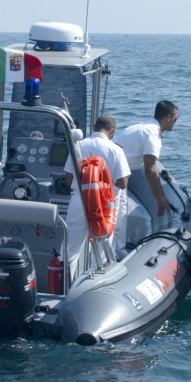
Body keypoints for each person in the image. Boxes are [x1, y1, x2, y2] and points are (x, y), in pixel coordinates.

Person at [63, 116, 131, 280]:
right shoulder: (116, 150)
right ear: (112, 130)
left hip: (80, 201)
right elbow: (122, 183)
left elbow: (68, 179)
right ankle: (95, 287)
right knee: (101, 250)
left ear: (94, 126)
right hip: (104, 205)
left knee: (70, 249)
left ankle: (63, 286)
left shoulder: (78, 145)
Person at [113, 100, 178, 258]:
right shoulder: (152, 134)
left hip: (118, 174)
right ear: (168, 118)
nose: (176, 123)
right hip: (110, 174)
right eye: (175, 119)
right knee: (113, 213)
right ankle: (103, 255)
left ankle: (119, 250)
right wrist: (160, 199)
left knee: (121, 213)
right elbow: (150, 169)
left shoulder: (144, 127)